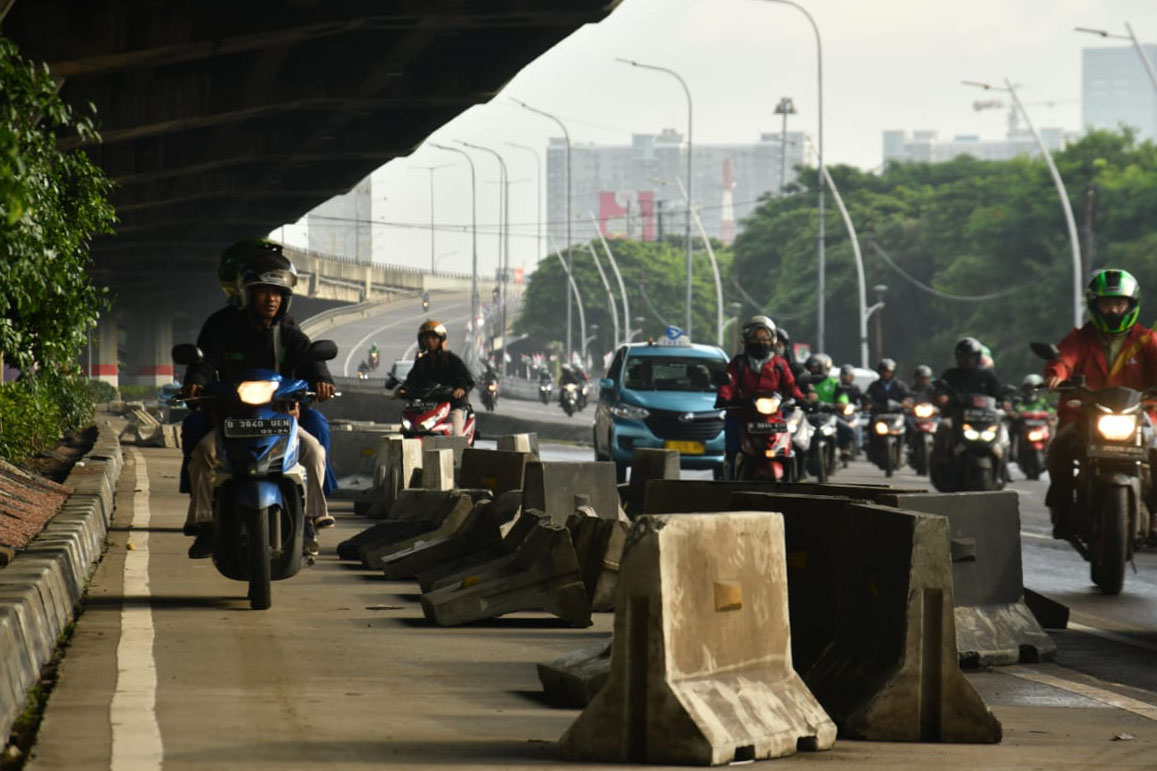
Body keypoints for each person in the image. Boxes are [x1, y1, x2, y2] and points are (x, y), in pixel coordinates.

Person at [181, 244, 336, 559]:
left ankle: (311, 519)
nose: (271, 299)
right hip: (230, 415)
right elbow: (205, 360)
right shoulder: (221, 326)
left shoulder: (287, 329)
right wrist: (197, 382)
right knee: (198, 443)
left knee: (316, 441)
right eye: (263, 291)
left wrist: (322, 378)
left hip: (281, 414)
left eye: (277, 292)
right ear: (245, 293)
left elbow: (308, 356)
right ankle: (203, 521)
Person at [1043, 269, 1157, 539]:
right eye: (1107, 304)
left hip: (1140, 412)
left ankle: (1155, 513)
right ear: (1095, 306)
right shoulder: (1080, 338)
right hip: (1085, 411)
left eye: (1120, 304)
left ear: (1131, 305)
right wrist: (1056, 375)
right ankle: (1063, 508)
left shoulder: (1146, 340)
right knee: (1060, 446)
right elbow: (1064, 359)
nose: (1114, 310)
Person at [717, 316, 806, 477]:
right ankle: (730, 482)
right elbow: (728, 384)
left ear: (771, 340)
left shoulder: (780, 364)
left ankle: (795, 482)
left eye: (765, 338)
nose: (760, 342)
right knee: (734, 448)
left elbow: (791, 386)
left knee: (790, 448)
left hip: (773, 418)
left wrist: (802, 399)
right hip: (742, 415)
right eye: (756, 338)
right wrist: (724, 398)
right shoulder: (738, 363)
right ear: (747, 340)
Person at [394, 320, 474, 435]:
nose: (429, 341)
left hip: (451, 405)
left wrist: (460, 388)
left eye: (433, 338)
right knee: (404, 432)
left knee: (455, 437)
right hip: (427, 407)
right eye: (426, 338)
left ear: (441, 340)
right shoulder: (421, 363)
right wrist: (403, 390)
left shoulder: (451, 359)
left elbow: (466, 378)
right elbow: (411, 381)